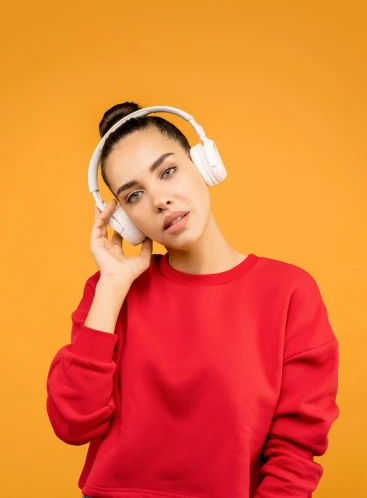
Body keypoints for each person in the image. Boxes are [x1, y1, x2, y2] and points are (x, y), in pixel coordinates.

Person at [46, 102, 340, 498]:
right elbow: (72, 423)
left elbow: (295, 452)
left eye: (168, 172)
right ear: (124, 221)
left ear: (203, 165)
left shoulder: (290, 292)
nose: (159, 200)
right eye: (134, 196)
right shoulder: (110, 293)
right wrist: (112, 286)